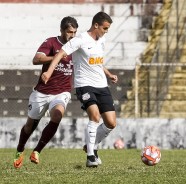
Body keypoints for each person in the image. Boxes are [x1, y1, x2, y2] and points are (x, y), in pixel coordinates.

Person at [41, 12, 118, 168]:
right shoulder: (80, 39)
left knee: (111, 123)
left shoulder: (102, 40)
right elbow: (60, 53)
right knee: (95, 116)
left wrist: (109, 74)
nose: (106, 31)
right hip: (84, 84)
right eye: (105, 28)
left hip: (101, 85)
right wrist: (48, 72)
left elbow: (96, 62)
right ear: (96, 25)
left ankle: (91, 144)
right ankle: (91, 156)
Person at [13, 16, 78, 169]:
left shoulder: (76, 45)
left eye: (75, 32)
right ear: (61, 30)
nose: (72, 35)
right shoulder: (51, 42)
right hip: (42, 92)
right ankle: (20, 149)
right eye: (69, 32)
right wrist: (56, 57)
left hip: (62, 92)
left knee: (58, 114)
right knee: (30, 126)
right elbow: (36, 60)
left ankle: (37, 151)